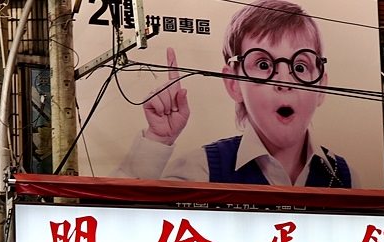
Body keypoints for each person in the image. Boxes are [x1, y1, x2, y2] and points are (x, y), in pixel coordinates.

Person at [119, 0, 352, 188]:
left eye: (300, 67)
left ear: (321, 87)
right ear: (233, 83)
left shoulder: (344, 175)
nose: (284, 81)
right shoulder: (201, 169)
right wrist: (157, 140)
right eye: (263, 65)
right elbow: (115, 222)